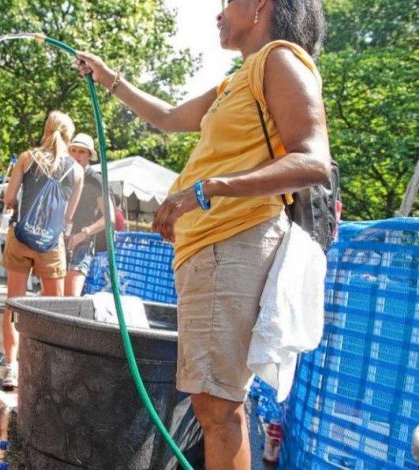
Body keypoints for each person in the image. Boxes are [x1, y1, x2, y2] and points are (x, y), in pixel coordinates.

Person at [78, 1, 330, 468]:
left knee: (217, 408)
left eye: (226, 3)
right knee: (212, 404)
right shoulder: (238, 78)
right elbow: (170, 116)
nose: (217, 14)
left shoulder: (280, 58)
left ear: (260, 6)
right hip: (210, 249)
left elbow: (312, 161)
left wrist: (208, 189)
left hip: (234, 240)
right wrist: (108, 77)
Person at [0, 110, 84, 390]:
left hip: (20, 237)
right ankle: (46, 371)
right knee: (54, 309)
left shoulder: (27, 158)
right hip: (51, 244)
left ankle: (11, 368)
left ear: (46, 130)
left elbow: (10, 198)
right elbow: (69, 216)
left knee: (14, 302)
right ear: (69, 137)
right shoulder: (77, 170)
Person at [63, 133, 114, 297]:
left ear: (89, 155)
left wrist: (84, 232)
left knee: (70, 298)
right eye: (74, 150)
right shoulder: (64, 175)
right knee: (51, 296)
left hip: (82, 244)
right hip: (58, 240)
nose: (76, 155)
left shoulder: (95, 179)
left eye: (82, 152)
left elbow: (109, 217)